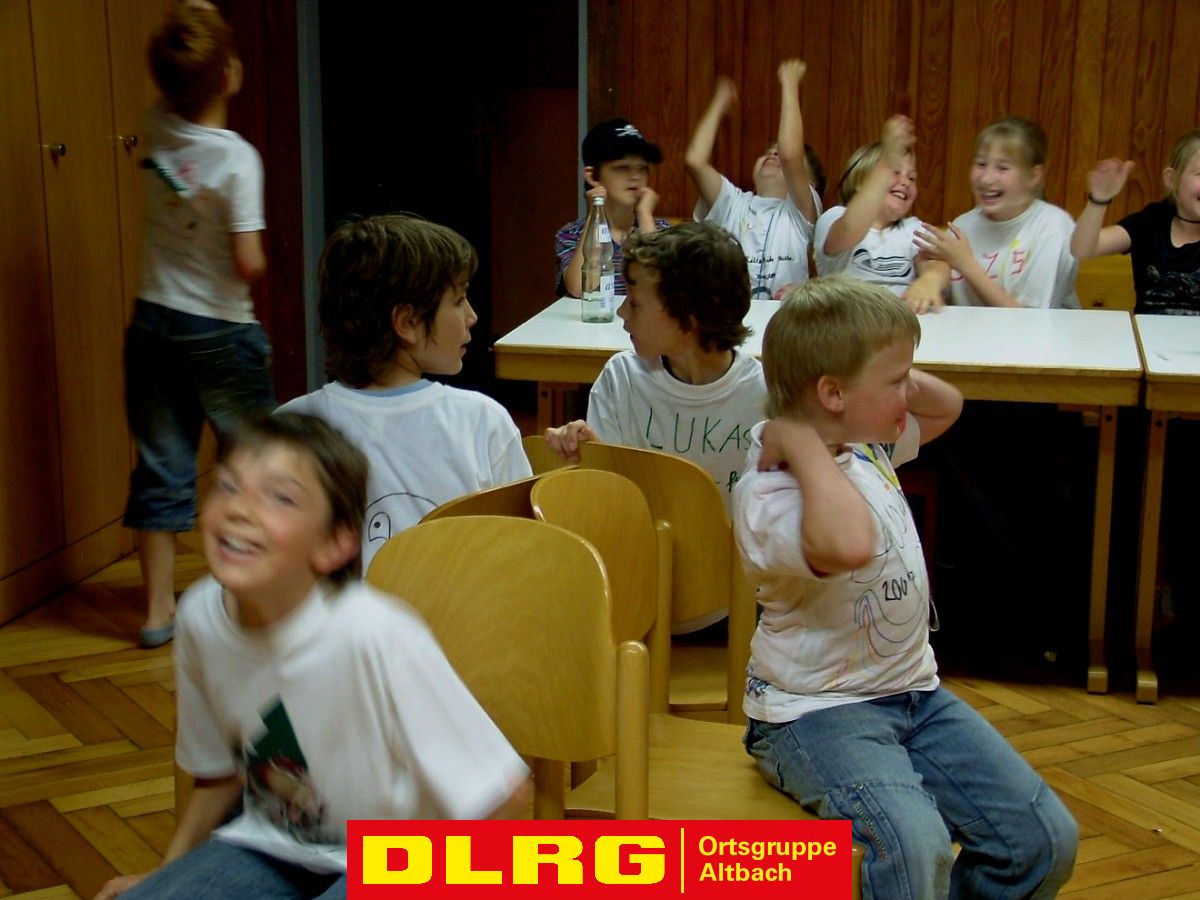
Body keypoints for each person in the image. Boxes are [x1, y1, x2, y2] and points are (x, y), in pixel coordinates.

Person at [733, 276, 1077, 898]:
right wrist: (802, 441)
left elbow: (950, 406)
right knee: (912, 850)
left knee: (1042, 840)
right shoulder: (769, 488)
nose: (910, 391)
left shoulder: (865, 447)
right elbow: (848, 544)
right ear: (833, 393)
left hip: (914, 695)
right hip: (811, 715)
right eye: (896, 380)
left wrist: (890, 371)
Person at [95, 412, 530, 900]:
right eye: (229, 486)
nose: (240, 509)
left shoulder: (373, 634)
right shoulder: (199, 616)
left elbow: (504, 796)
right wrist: (165, 879)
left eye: (280, 497)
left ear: (335, 543)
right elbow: (216, 777)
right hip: (274, 848)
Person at [122, 1, 276, 649]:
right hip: (218, 331)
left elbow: (182, 60)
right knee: (254, 465)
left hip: (153, 325)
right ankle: (254, 594)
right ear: (229, 76)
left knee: (162, 465)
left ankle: (158, 610)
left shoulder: (155, 126)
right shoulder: (238, 159)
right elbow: (248, 262)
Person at [280, 214, 530, 573]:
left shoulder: (290, 425)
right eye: (459, 300)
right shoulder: (481, 420)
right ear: (408, 323)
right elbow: (523, 553)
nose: (472, 315)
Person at [544, 222, 765, 514]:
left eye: (635, 303)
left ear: (686, 321)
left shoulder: (765, 395)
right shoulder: (621, 379)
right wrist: (590, 451)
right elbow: (612, 500)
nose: (621, 312)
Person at [686, 60, 822, 300]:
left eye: (779, 153)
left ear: (809, 185)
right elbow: (695, 161)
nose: (774, 154)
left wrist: (789, 85)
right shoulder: (732, 203)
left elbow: (790, 154)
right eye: (768, 152)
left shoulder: (800, 214)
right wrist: (719, 104)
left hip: (785, 316)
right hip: (731, 315)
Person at [916, 116, 1079, 308]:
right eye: (981, 164)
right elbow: (939, 266)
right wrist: (929, 278)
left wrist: (966, 264)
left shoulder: (1052, 226)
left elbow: (1029, 320)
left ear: (1034, 176)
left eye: (1002, 168)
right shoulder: (963, 225)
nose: (986, 179)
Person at [814, 115, 950, 314]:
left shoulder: (912, 228)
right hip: (845, 320)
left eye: (912, 178)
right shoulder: (834, 217)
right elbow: (850, 229)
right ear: (861, 182)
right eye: (895, 172)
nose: (905, 182)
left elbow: (935, 261)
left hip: (899, 319)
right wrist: (887, 162)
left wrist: (930, 281)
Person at [1071, 129, 1200, 314]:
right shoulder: (1151, 222)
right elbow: (1082, 249)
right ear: (1172, 179)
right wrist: (1098, 199)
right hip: (1148, 333)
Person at [555, 118, 670, 298]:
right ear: (593, 176)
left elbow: (662, 286)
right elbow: (581, 288)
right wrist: (595, 212)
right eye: (622, 168)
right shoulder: (572, 233)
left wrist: (645, 216)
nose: (635, 176)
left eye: (642, 168)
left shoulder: (660, 230)